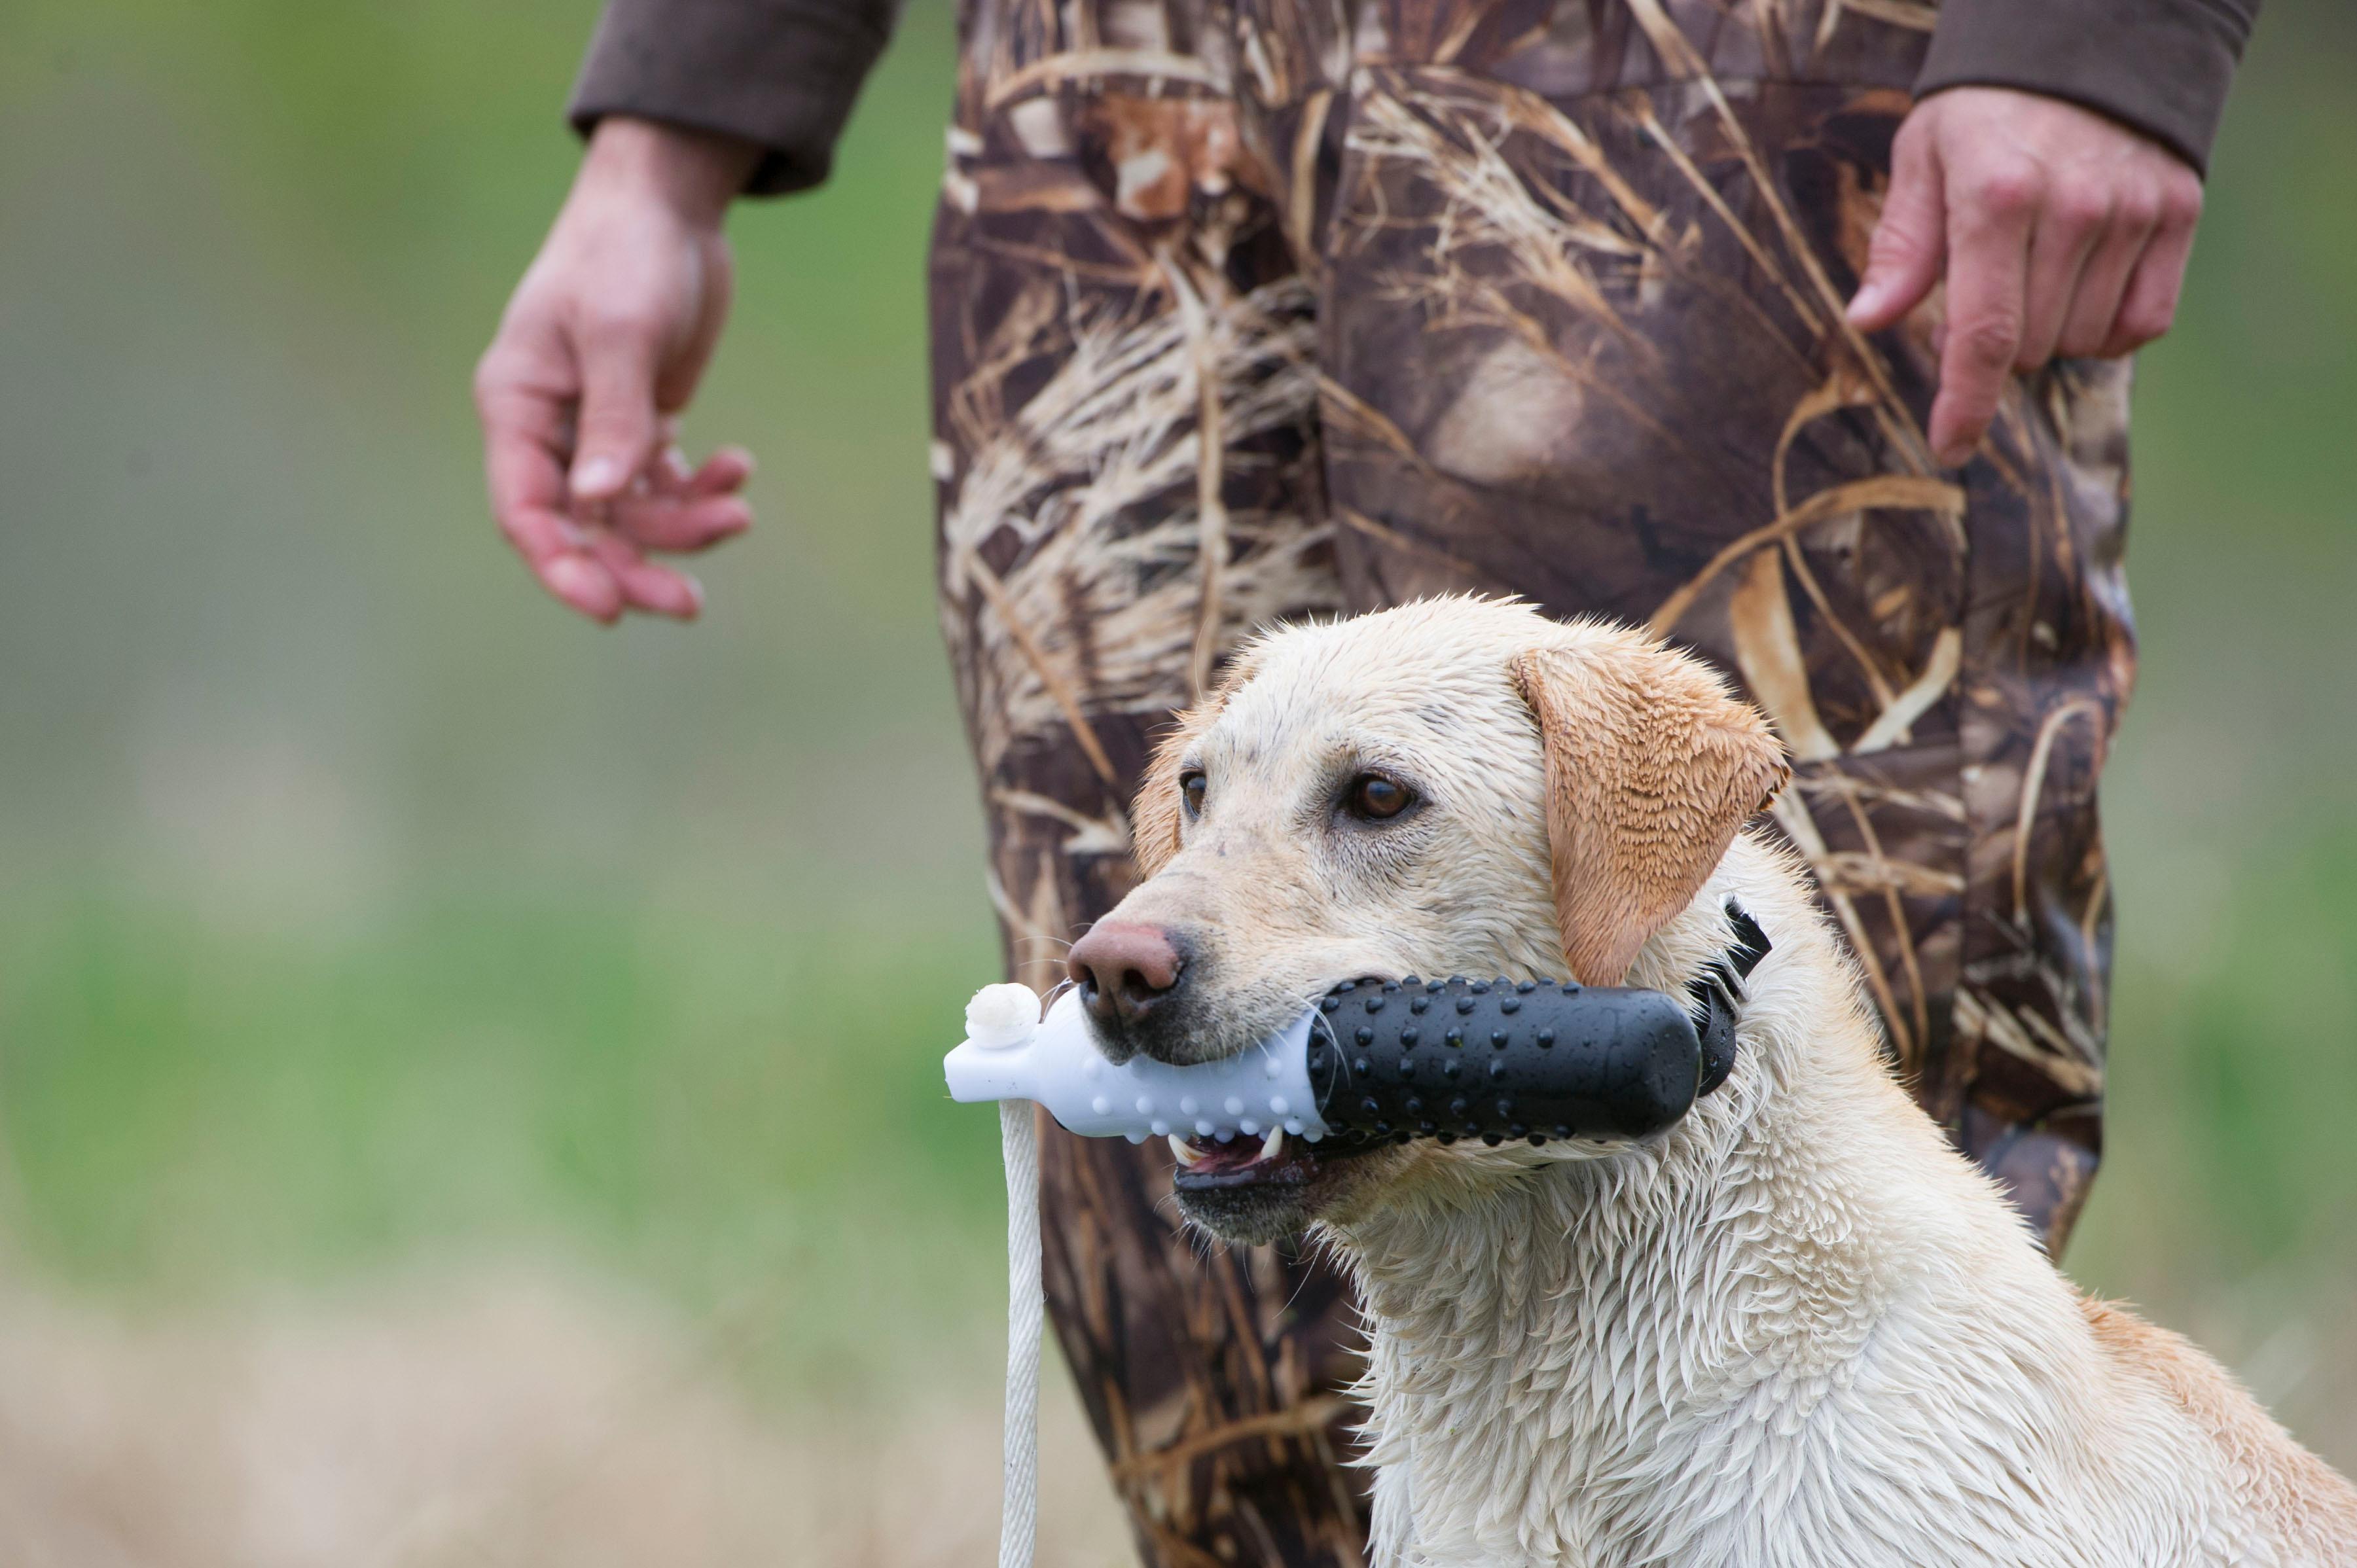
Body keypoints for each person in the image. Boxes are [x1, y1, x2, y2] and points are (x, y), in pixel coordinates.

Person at [473, 3, 2255, 1562]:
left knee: (1825, 1067)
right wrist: (666, 127)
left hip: (1719, 63)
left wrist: (2096, 31)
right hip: (1110, 82)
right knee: (1198, 1317)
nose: (1134, 928)